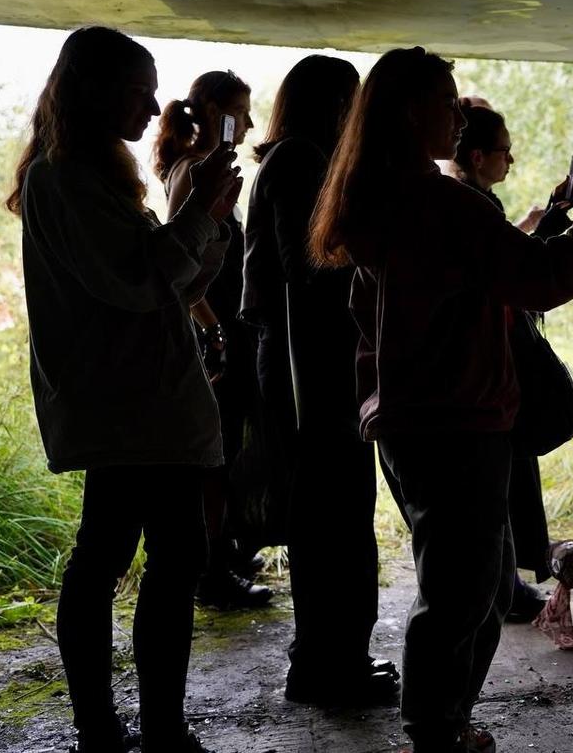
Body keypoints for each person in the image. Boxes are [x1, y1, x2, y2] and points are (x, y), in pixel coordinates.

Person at [308, 46, 573, 753]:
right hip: (458, 420)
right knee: (462, 592)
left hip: (409, 420)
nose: (457, 118)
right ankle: (435, 732)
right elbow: (544, 275)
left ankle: (444, 724)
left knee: (475, 584)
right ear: (411, 112)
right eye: (445, 101)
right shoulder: (440, 203)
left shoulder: (376, 199)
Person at [9, 26, 241, 753]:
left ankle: (127, 728)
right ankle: (124, 730)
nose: (152, 107)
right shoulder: (64, 180)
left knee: (140, 557)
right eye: (139, 91)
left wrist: (210, 215)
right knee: (137, 560)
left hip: (140, 404)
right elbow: (143, 281)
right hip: (129, 407)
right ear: (94, 91)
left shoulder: (94, 177)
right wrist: (198, 210)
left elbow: (173, 283)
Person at [239, 54, 400, 705]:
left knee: (331, 516)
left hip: (308, 365)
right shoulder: (301, 162)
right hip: (313, 371)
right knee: (335, 519)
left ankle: (330, 657)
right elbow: (312, 265)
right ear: (334, 107)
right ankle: (329, 664)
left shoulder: (292, 160)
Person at [447, 100, 573, 622]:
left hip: (487, 373)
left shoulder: (471, 201)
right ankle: (501, 589)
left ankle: (505, 585)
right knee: (497, 487)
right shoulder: (469, 205)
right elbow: (523, 275)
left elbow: (514, 264)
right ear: (479, 156)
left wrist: (551, 215)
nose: (511, 159)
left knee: (501, 486)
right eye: (505, 150)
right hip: (487, 375)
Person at [154, 70, 273, 610]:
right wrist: (214, 329)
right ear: (218, 116)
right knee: (216, 455)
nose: (248, 124)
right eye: (241, 113)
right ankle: (212, 570)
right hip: (216, 332)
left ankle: (224, 552)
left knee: (227, 448)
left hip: (225, 328)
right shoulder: (195, 171)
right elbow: (182, 263)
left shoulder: (208, 169)